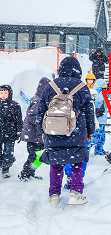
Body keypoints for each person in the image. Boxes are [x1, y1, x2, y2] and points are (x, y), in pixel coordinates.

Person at [36, 56, 95, 206]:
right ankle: (75, 194)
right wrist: (90, 131)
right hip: (76, 130)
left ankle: (54, 195)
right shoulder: (82, 86)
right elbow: (89, 112)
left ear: (60, 69)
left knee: (56, 164)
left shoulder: (51, 86)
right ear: (78, 70)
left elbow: (41, 109)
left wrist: (40, 130)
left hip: (53, 130)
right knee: (77, 162)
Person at [63, 72, 97, 189]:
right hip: (82, 131)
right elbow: (90, 116)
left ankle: (70, 179)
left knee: (70, 156)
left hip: (68, 130)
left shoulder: (69, 95)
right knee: (81, 157)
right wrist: (90, 131)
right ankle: (76, 182)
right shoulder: (84, 93)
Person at [18, 77, 50, 181]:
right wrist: (43, 124)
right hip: (34, 136)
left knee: (37, 156)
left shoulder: (39, 98)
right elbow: (32, 117)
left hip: (35, 135)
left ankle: (29, 173)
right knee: (35, 156)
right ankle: (24, 174)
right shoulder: (39, 101)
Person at [0, 85, 23, 178]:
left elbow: (19, 120)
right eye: (1, 93)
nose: (3, 95)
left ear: (9, 93)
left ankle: (5, 168)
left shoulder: (15, 105)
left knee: (8, 152)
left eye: (6, 93)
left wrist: (19, 132)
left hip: (10, 133)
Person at [90, 78, 108, 155]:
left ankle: (99, 149)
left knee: (101, 136)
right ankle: (88, 150)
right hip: (97, 120)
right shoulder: (96, 93)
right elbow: (98, 100)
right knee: (95, 137)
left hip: (101, 119)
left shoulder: (101, 93)